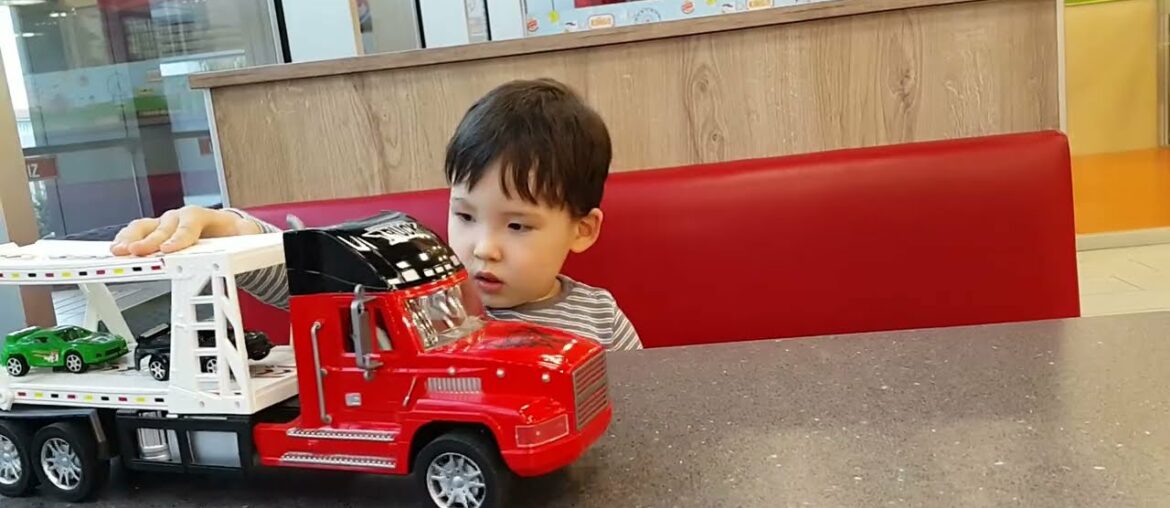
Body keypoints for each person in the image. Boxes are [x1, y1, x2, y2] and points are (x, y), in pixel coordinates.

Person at [111, 78, 642, 352]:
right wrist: (232, 228)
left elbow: (647, 412)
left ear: (582, 229)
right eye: (465, 216)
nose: (483, 246)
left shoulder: (599, 319)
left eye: (518, 225)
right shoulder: (416, 291)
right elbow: (308, 275)